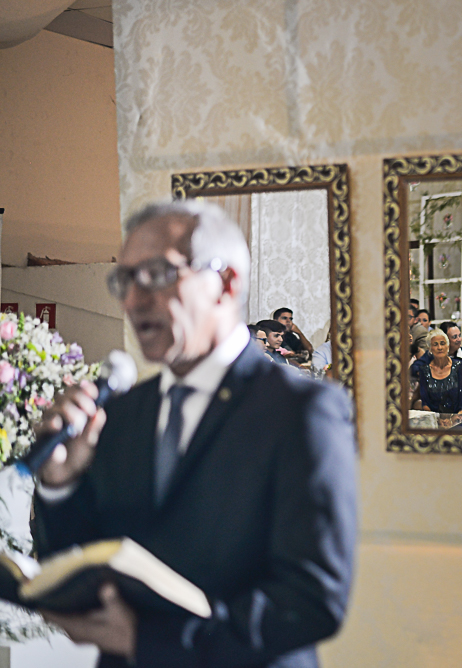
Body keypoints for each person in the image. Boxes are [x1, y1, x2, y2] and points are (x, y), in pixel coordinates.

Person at [31, 200, 356, 667]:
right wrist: (61, 486)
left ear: (227, 283)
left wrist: (150, 641)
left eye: (157, 274)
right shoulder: (122, 413)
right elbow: (77, 569)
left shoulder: (301, 411)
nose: (133, 299)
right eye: (124, 280)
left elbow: (311, 601)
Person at [412, 328, 462, 414]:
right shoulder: (424, 371)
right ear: (430, 349)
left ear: (447, 346)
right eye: (435, 345)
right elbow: (425, 404)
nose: (439, 347)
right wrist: (438, 420)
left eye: (442, 344)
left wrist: (454, 419)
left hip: (458, 419)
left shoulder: (459, 367)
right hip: (434, 421)